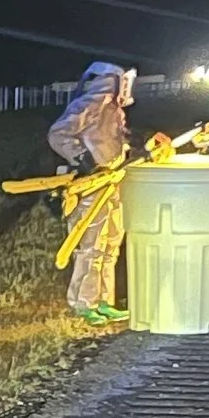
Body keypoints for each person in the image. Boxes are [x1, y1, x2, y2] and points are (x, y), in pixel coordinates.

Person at [44, 61, 135, 319]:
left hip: (114, 180)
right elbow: (58, 134)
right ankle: (83, 302)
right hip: (90, 185)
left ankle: (104, 299)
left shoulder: (114, 109)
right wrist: (83, 158)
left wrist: (133, 142)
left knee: (111, 242)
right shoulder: (90, 104)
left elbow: (117, 137)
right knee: (90, 245)